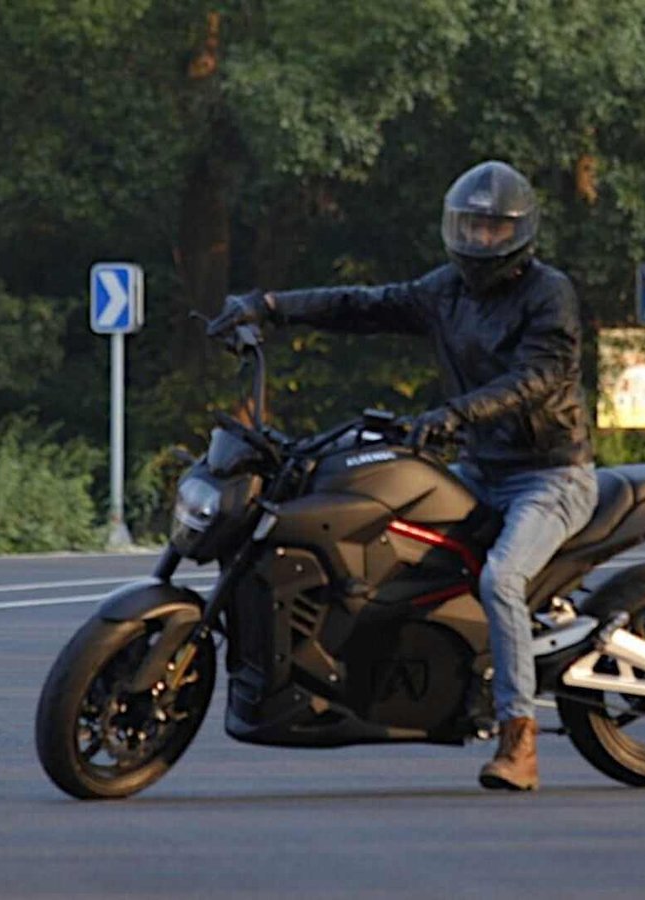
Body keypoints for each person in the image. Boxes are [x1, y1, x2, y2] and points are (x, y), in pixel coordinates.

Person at [213, 160, 597, 791]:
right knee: (391, 547)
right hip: (478, 468)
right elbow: (362, 305)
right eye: (471, 227)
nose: (481, 240)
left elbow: (538, 377)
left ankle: (519, 738)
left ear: (521, 232)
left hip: (549, 476)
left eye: (494, 229)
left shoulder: (547, 293)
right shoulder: (446, 290)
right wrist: (271, 306)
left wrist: (455, 414)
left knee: (501, 578)